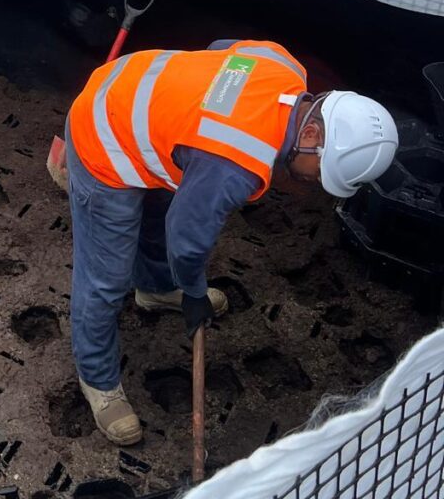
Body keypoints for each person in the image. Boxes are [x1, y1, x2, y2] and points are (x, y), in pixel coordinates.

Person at [64, 39, 398, 445]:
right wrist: (193, 292)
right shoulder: (234, 162)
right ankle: (97, 379)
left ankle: (154, 289)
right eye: (319, 170)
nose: (312, 181)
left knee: (156, 216)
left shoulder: (285, 66)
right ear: (310, 132)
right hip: (103, 133)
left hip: (139, 96)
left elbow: (221, 48)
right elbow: (186, 240)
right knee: (106, 276)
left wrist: (194, 118)